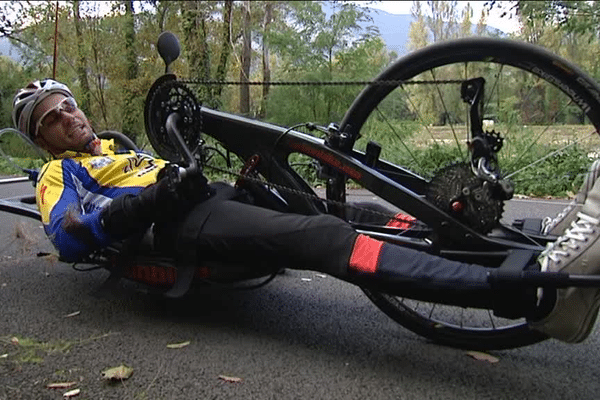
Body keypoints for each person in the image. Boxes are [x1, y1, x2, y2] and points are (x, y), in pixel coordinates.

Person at [11, 79, 600, 344]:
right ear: (42, 140)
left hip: (210, 199)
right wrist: (152, 198)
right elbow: (68, 238)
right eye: (51, 118)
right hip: (180, 225)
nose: (67, 116)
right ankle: (540, 296)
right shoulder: (60, 174)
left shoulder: (119, 148)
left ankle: (531, 240)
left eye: (67, 104)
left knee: (352, 212)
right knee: (324, 238)